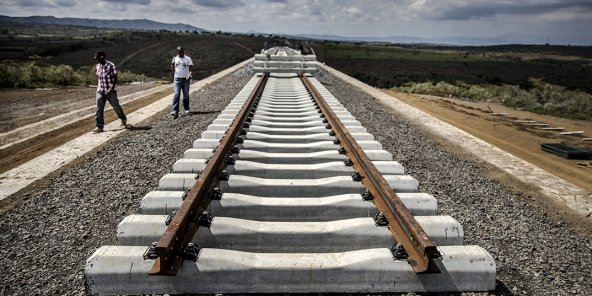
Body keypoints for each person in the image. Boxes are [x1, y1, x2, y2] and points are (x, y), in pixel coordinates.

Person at [93, 51, 127, 133]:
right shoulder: (97, 66)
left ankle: (123, 118)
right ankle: (99, 126)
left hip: (111, 91)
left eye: (97, 58)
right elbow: (99, 78)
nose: (96, 60)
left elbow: (115, 79)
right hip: (100, 91)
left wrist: (110, 88)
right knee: (99, 109)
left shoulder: (111, 65)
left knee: (116, 107)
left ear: (102, 57)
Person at [170, 46, 193, 118]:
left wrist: (190, 74)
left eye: (182, 52)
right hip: (177, 79)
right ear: (177, 52)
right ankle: (175, 111)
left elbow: (191, 67)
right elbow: (172, 66)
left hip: (185, 80)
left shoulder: (188, 59)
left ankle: (187, 109)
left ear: (184, 52)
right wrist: (174, 71)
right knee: (176, 95)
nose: (181, 54)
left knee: (186, 95)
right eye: (180, 53)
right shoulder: (175, 59)